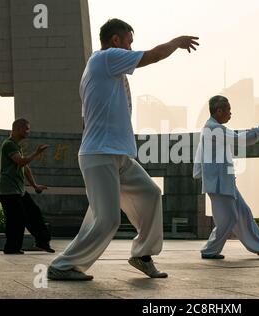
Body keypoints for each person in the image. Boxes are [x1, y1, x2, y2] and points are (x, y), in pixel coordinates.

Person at [47, 18, 199, 281]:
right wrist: (176, 42)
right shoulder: (106, 59)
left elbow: (88, 118)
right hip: (100, 155)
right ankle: (61, 265)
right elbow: (152, 56)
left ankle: (142, 254)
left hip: (117, 155)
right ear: (116, 41)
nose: (130, 48)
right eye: (129, 42)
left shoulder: (103, 71)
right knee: (107, 220)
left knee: (150, 194)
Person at [193, 95, 259, 260]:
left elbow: (233, 137)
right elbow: (240, 139)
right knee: (228, 218)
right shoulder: (214, 129)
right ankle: (209, 250)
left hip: (223, 182)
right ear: (219, 111)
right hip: (218, 184)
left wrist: (199, 172)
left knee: (243, 212)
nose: (230, 113)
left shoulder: (213, 128)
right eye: (228, 110)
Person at [0, 118, 54, 255]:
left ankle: (42, 241)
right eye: (26, 129)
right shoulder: (9, 144)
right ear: (18, 129)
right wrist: (37, 153)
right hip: (8, 191)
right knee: (16, 220)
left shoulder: (16, 146)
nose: (28, 132)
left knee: (34, 214)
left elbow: (26, 168)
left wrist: (35, 185)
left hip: (19, 190)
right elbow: (22, 162)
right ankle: (11, 248)